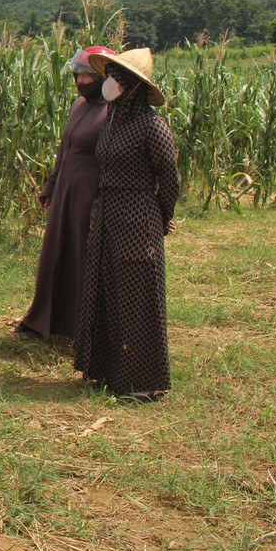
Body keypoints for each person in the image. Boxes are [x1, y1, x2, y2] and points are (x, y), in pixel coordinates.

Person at [74, 48, 180, 402]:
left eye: (117, 78)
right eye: (110, 76)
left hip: (137, 217)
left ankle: (145, 383)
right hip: (108, 215)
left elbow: (170, 179)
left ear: (132, 86)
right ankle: (107, 370)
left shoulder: (152, 126)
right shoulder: (112, 121)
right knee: (107, 291)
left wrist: (160, 217)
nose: (109, 84)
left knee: (138, 297)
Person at [14, 45, 114, 339]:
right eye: (77, 75)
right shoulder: (78, 105)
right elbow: (65, 149)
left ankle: (82, 327)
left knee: (82, 257)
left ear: (104, 76)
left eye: (87, 76)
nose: (81, 81)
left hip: (88, 193)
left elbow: (113, 162)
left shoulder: (112, 112)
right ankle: (44, 319)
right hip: (66, 191)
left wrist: (101, 202)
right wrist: (52, 184)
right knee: (55, 253)